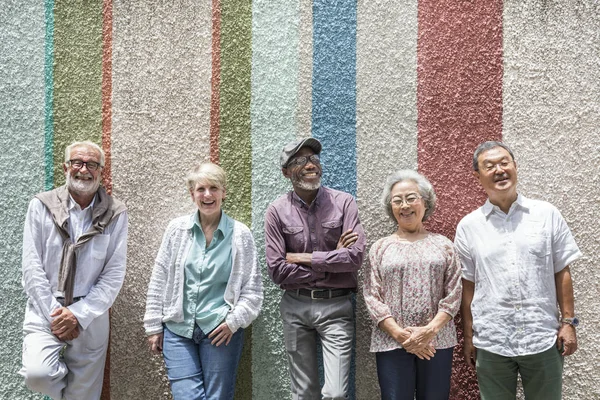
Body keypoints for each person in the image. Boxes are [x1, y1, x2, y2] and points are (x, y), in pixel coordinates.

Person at [455, 141, 582, 400]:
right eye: (489, 166)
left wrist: (568, 323)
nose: (499, 170)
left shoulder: (546, 214)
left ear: (515, 167)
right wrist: (469, 336)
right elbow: (469, 285)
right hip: (492, 341)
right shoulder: (469, 226)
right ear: (477, 176)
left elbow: (562, 271)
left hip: (543, 337)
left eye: (504, 163)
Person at [144, 162, 262, 400]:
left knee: (218, 397)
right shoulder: (177, 230)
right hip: (178, 330)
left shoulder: (240, 234)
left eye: (214, 188)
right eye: (201, 189)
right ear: (192, 194)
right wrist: (153, 325)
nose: (207, 195)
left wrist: (233, 321)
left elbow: (253, 290)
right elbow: (160, 277)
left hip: (220, 330)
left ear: (223, 193)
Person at [19, 141, 128, 400]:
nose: (84, 170)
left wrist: (78, 315)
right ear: (66, 167)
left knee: (84, 395)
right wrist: (58, 317)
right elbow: (31, 268)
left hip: (90, 314)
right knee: (38, 374)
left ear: (101, 171)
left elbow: (113, 274)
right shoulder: (41, 206)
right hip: (46, 308)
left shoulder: (116, 213)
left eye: (92, 164)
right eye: (77, 163)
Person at [264, 137, 366, 400]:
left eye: (314, 159)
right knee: (303, 393)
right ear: (286, 172)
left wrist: (302, 258)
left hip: (337, 308)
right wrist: (333, 258)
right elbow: (277, 270)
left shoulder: (344, 203)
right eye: (300, 160)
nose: (310, 165)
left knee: (336, 394)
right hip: (295, 307)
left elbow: (354, 258)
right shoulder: (276, 211)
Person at [364, 170, 462, 400]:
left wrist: (428, 331)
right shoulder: (380, 248)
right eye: (397, 201)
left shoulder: (444, 245)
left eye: (411, 198)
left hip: (436, 341)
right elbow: (371, 296)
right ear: (391, 208)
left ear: (425, 202)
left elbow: (454, 292)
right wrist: (401, 336)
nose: (404, 205)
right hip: (391, 342)